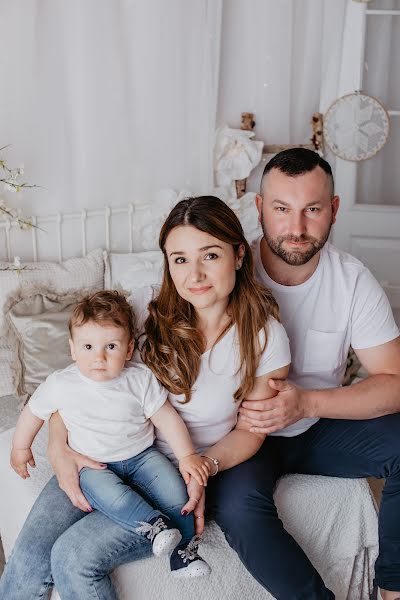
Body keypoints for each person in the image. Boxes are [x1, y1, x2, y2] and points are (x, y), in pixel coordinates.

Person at [0, 196, 290, 599]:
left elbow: (252, 431)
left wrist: (200, 465)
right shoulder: (144, 306)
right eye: (180, 259)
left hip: (165, 475)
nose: (195, 274)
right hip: (99, 454)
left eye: (210, 255)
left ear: (239, 255)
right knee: (29, 556)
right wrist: (58, 444)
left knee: (71, 557)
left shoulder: (264, 336)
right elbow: (84, 381)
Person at [206, 148, 400, 600]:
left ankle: (392, 588)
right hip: (242, 432)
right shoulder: (225, 270)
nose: (296, 228)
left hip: (316, 427)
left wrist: (307, 403)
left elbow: (393, 382)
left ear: (333, 210)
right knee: (236, 507)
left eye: (312, 210)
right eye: (281, 209)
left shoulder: (351, 279)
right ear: (258, 209)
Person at [10, 289, 212, 578]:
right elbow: (33, 413)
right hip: (92, 464)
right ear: (72, 348)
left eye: (111, 347)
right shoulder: (61, 384)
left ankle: (183, 555)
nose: (99, 358)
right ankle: (154, 527)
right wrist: (21, 447)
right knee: (115, 498)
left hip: (142, 456)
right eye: (88, 347)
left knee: (175, 490)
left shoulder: (139, 379)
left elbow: (167, 418)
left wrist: (187, 455)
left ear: (129, 349)